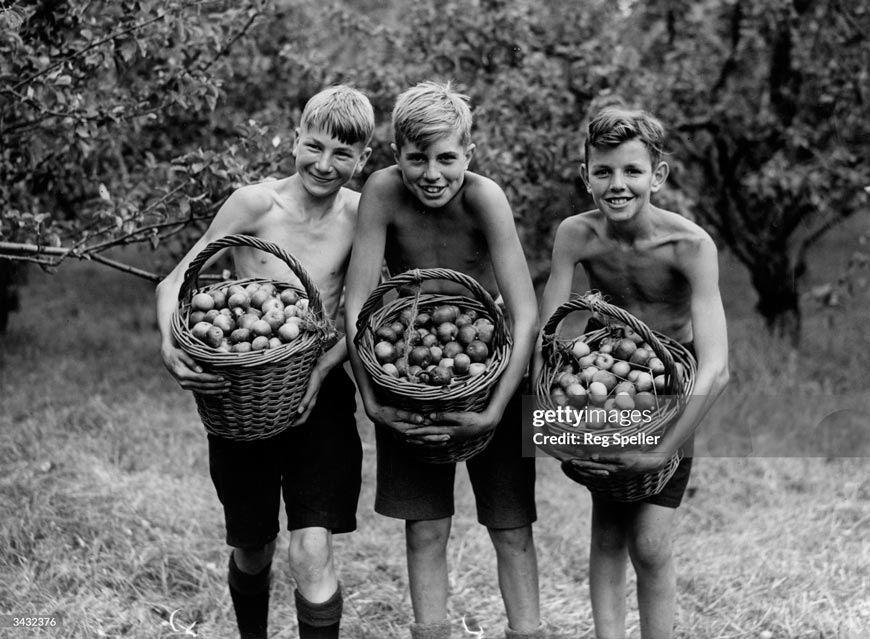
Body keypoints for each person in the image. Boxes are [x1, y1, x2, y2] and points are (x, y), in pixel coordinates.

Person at [155, 85, 374, 639]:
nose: (325, 164)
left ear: (363, 158)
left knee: (311, 549)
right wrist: (169, 343)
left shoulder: (361, 214)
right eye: (315, 146)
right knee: (254, 548)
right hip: (244, 397)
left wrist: (323, 373)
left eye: (343, 154)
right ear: (295, 139)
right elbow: (177, 278)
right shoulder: (256, 205)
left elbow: (367, 309)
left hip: (318, 393)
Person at [344, 81, 544, 639]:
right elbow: (356, 304)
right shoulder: (382, 192)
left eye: (447, 158)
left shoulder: (486, 198)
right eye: (417, 159)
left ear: (469, 154)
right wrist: (372, 396)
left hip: (490, 373)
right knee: (425, 527)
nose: (433, 173)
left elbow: (524, 315)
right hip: (410, 372)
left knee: (512, 528)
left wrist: (496, 409)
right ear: (395, 156)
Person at [534, 107, 729, 639]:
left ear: (658, 176)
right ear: (586, 176)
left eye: (632, 171)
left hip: (669, 393)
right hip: (606, 393)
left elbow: (717, 368)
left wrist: (662, 449)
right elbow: (548, 337)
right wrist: (549, 415)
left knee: (650, 543)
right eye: (603, 172)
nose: (617, 185)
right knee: (608, 533)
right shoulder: (576, 234)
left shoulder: (690, 246)